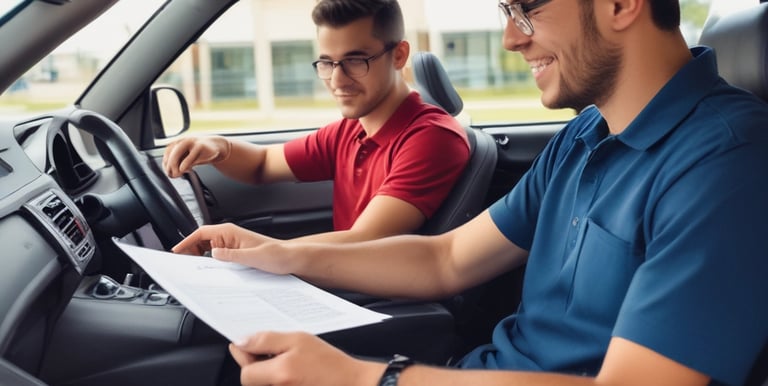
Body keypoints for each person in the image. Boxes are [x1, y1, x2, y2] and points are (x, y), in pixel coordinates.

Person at [174, 0, 768, 385]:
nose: (511, 38)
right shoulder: (585, 134)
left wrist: (368, 379)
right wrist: (279, 256)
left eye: (528, 9)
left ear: (620, 4)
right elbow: (447, 257)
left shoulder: (729, 162)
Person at [162, 0, 470, 243]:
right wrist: (220, 146)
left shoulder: (432, 138)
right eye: (327, 62)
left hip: (383, 307)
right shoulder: (350, 130)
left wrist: (251, 248)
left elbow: (363, 243)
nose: (337, 79)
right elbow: (262, 164)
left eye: (354, 60)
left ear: (399, 55)